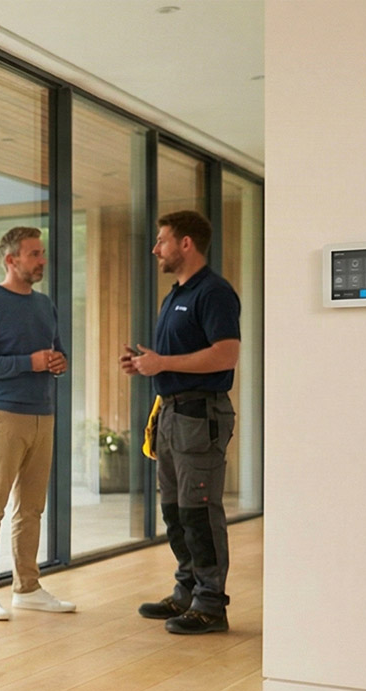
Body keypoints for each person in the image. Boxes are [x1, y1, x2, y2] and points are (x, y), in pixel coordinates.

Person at [120, 210, 240, 634]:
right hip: (170, 414)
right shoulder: (174, 295)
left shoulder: (214, 293)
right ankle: (186, 591)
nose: (156, 249)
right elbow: (177, 359)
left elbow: (226, 355)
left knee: (199, 511)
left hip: (199, 415)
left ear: (186, 244)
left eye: (162, 241)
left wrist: (164, 362)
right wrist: (146, 364)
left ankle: (210, 605)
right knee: (174, 510)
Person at [0, 225, 76, 621]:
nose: (42, 260)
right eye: (34, 254)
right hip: (3, 417)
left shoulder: (45, 305)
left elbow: (55, 353)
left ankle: (27, 587)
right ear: (11, 260)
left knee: (32, 508)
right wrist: (30, 363)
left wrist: (57, 363)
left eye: (42, 253)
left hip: (43, 415)